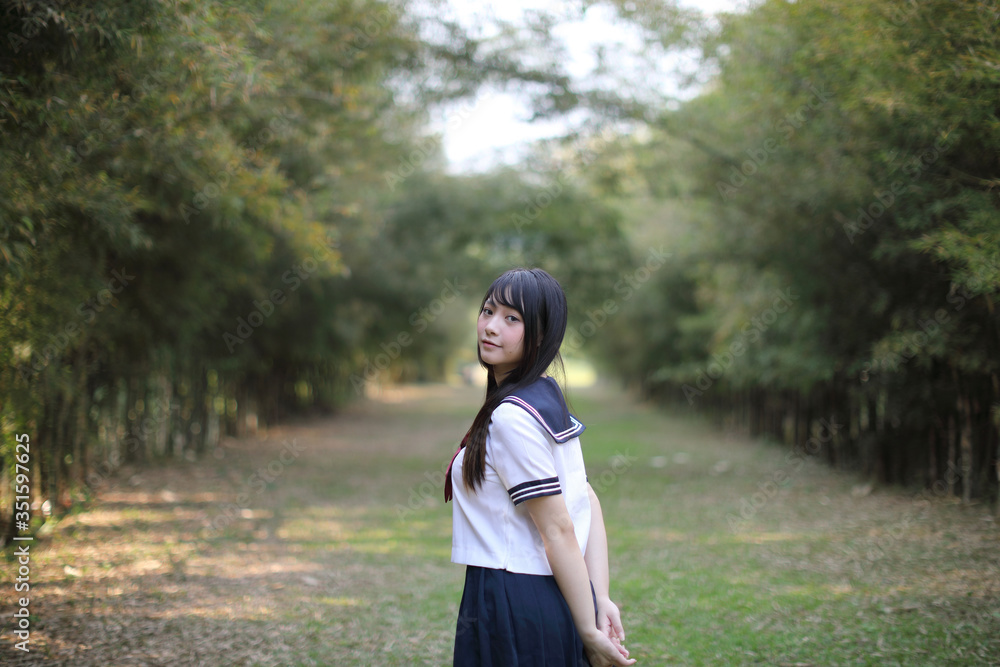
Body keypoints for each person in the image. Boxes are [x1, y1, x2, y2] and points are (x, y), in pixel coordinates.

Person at [445, 267, 636, 667]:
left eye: (512, 319)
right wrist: (596, 598)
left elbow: (559, 526)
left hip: (512, 599)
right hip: (543, 593)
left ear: (540, 335)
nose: (491, 327)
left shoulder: (514, 417)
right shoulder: (542, 397)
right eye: (488, 311)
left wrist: (590, 625)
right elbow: (586, 499)